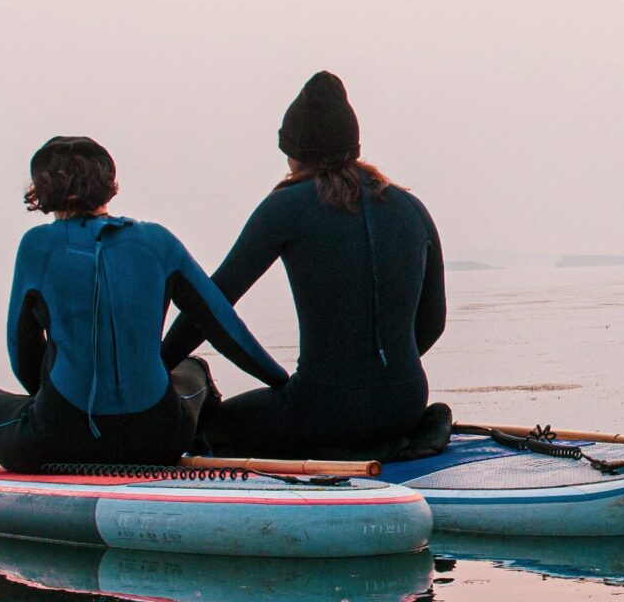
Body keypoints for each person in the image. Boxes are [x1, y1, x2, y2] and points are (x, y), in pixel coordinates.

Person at [0, 135, 294, 472]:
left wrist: (51, 405)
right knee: (194, 369)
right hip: (160, 440)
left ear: (42, 191)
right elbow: (224, 328)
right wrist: (281, 383)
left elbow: (22, 352)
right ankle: (207, 448)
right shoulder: (157, 241)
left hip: (57, 440)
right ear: (110, 183)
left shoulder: (38, 246)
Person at [162, 71, 447, 458]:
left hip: (322, 411)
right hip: (407, 404)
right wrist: (382, 379)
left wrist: (159, 361)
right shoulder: (411, 208)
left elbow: (210, 306)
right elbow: (433, 323)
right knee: (357, 413)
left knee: (217, 427)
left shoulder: (288, 205)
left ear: (294, 150)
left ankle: (347, 441)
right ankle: (393, 438)